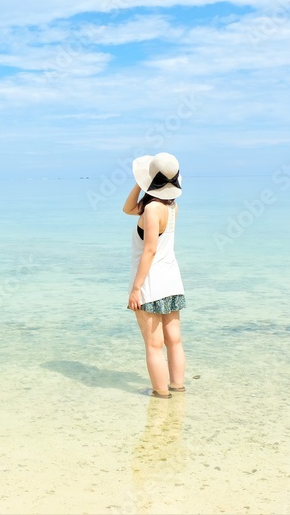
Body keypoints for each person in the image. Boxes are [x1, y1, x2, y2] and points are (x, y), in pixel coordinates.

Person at [123, 152, 186, 399]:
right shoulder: (171, 207)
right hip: (172, 279)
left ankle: (160, 395)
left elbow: (149, 250)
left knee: (153, 344)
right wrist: (144, 183)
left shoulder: (150, 210)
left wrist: (136, 288)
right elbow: (128, 208)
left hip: (151, 283)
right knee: (174, 341)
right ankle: (177, 389)